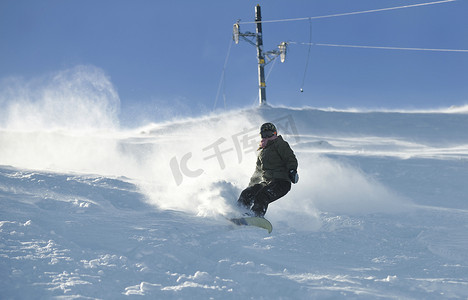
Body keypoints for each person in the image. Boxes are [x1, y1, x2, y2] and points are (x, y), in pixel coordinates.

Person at [237, 122, 299, 217]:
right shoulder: (262, 152)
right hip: (268, 182)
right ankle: (239, 213)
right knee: (247, 193)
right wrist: (251, 186)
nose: (266, 137)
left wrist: (292, 170)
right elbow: (258, 172)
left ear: (275, 134)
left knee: (262, 195)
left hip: (281, 183)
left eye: (269, 134)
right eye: (264, 135)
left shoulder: (280, 144)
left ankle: (256, 216)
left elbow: (290, 158)